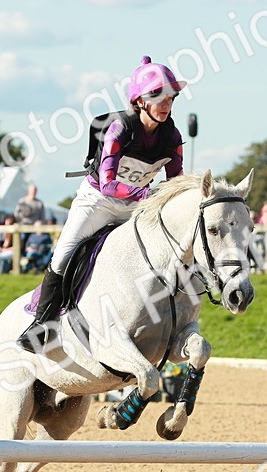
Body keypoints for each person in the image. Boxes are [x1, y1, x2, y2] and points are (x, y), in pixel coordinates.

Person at [17, 55, 186, 352]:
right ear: (140, 100)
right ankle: (43, 325)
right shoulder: (120, 128)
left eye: (170, 97)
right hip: (98, 201)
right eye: (158, 96)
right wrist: (145, 195)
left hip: (136, 208)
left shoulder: (172, 136)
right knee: (64, 254)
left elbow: (176, 181)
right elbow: (108, 183)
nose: (166, 103)